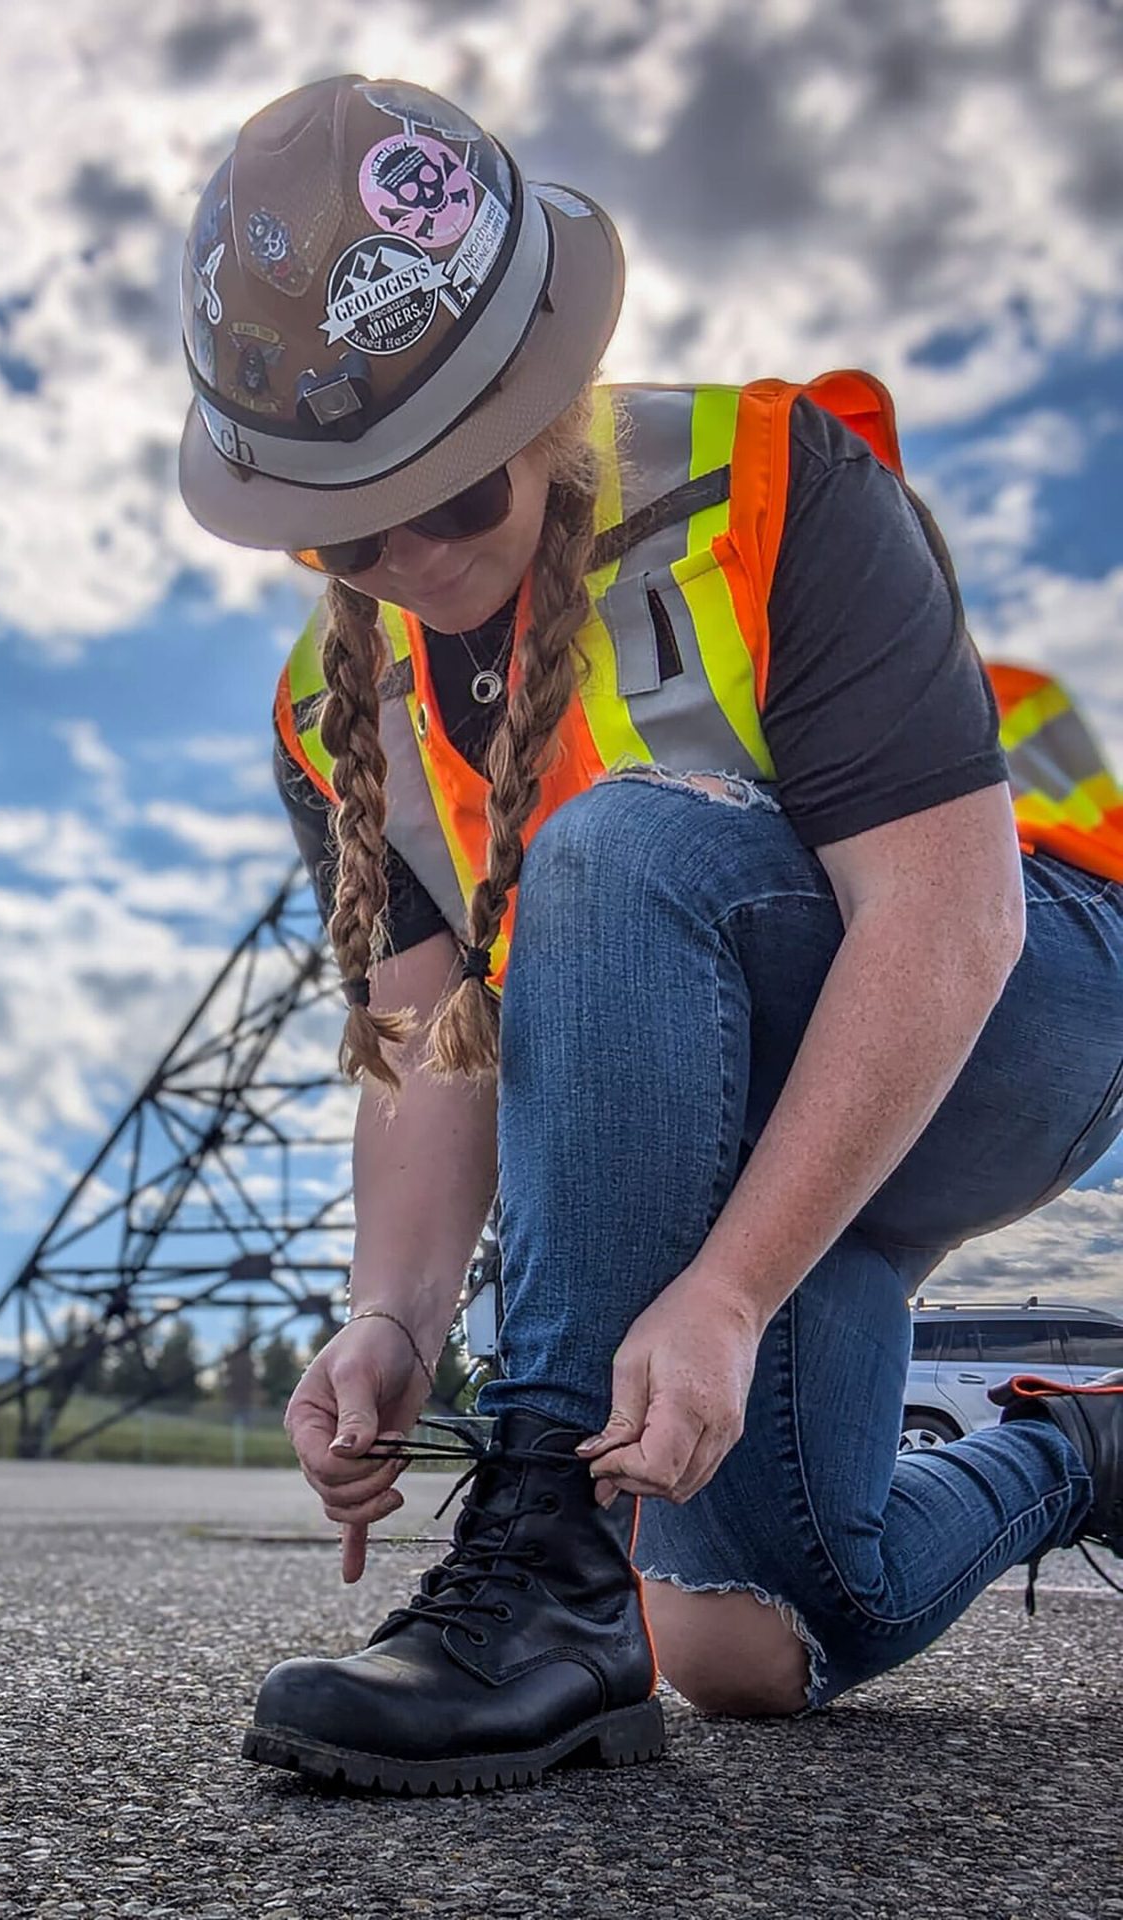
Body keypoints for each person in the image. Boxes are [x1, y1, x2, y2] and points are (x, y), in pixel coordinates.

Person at [174, 72, 1123, 1796]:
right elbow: (430, 1042)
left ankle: (542, 1566)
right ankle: (1079, 1459)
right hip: (733, 1109)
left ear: (546, 399)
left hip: (1020, 1002)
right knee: (747, 1652)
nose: (408, 561)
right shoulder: (335, 715)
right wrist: (389, 1313)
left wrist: (729, 1291)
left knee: (613, 844)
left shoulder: (767, 483)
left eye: (455, 498)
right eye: (346, 528)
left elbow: (947, 918)